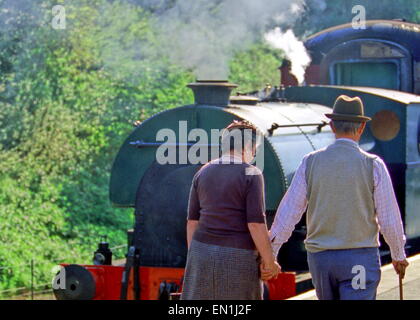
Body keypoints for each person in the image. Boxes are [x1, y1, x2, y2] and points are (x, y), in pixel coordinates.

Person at [268, 95, 409, 300]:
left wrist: (272, 252)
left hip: (320, 260)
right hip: (359, 257)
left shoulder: (310, 162)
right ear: (361, 128)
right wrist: (398, 255)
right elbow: (389, 218)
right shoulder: (373, 165)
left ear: (332, 126)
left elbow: (289, 212)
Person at [181, 120, 280, 300]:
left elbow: (192, 222)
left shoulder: (203, 172)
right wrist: (269, 261)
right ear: (248, 146)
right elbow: (256, 224)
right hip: (237, 256)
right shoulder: (251, 173)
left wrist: (195, 258)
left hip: (200, 251)